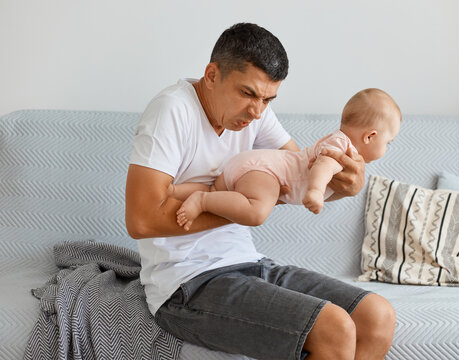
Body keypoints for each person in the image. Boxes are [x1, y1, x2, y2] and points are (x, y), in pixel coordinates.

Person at [125, 22, 396, 360]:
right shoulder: (171, 111)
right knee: (334, 327)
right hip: (185, 283)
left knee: (376, 315)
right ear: (212, 75)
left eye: (268, 99)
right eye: (248, 93)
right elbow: (142, 220)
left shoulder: (256, 114)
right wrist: (248, 209)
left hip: (247, 262)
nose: (256, 112)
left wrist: (348, 185)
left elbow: (294, 178)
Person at [168, 88, 401, 232]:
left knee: (214, 189)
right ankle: (201, 201)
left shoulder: (335, 140)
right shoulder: (342, 148)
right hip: (265, 172)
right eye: (388, 142)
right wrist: (316, 191)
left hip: (252, 166)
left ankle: (175, 191)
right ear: (371, 136)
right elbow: (324, 165)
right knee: (257, 211)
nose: (387, 148)